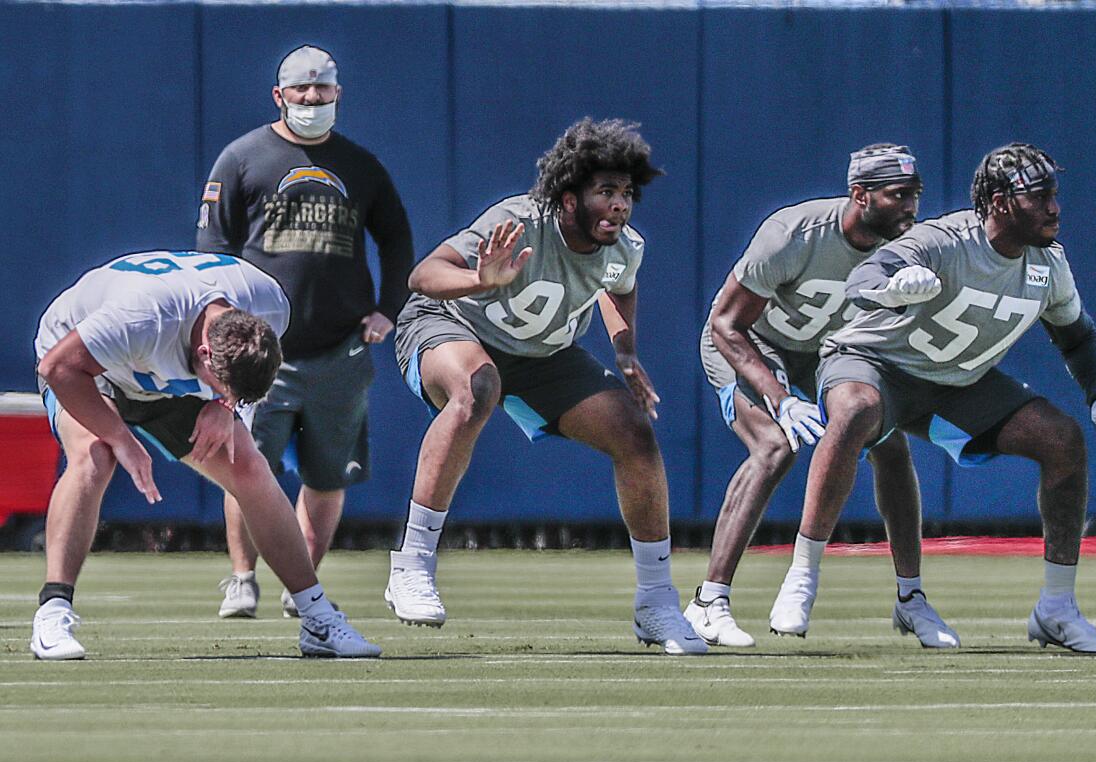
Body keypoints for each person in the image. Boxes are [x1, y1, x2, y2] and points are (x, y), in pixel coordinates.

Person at [772, 143, 1096, 655]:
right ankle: (803, 574)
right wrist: (893, 288)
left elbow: (1076, 337)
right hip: (877, 365)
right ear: (1002, 202)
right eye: (1040, 196)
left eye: (1055, 195)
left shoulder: (1048, 264)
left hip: (956, 385)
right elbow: (861, 280)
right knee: (855, 410)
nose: (1054, 207)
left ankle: (1056, 609)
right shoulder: (945, 240)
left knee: (1062, 439)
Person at [389, 117, 705, 655]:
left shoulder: (626, 247)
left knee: (634, 431)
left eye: (627, 193)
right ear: (567, 197)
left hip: (541, 355)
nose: (620, 205)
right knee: (476, 389)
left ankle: (656, 602)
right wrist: (478, 280)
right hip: (452, 324)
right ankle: (411, 565)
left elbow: (619, 287)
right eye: (605, 191)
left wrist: (625, 351)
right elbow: (424, 276)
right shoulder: (519, 221)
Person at [31, 250, 381, 660]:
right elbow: (58, 368)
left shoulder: (269, 302)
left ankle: (317, 616)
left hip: (158, 372)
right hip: (88, 368)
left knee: (250, 467)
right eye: (222, 385)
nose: (224, 393)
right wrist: (121, 438)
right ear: (203, 356)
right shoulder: (140, 319)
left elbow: (247, 378)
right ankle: (52, 613)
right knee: (96, 456)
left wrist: (226, 404)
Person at [690, 144, 959, 649]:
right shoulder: (794, 233)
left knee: (889, 445)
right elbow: (727, 324)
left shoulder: (907, 249)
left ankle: (910, 598)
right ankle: (709, 600)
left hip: (826, 353)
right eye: (898, 195)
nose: (910, 209)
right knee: (776, 447)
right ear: (860, 195)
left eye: (915, 196)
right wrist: (781, 398)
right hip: (749, 344)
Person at [197, 44, 414, 619]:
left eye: (322, 90)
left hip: (340, 346)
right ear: (280, 95)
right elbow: (213, 249)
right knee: (245, 468)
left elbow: (396, 239)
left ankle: (304, 587)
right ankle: (242, 578)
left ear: (338, 94)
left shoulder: (361, 166)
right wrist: (226, 327)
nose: (312, 100)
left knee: (326, 474)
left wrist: (387, 308)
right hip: (258, 352)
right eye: (301, 90)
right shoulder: (242, 158)